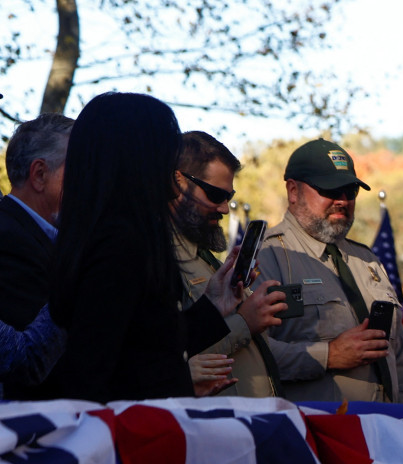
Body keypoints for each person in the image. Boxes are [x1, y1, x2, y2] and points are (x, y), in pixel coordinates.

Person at [45, 92, 242, 403]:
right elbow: (92, 372)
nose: (174, 168)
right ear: (139, 157)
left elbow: (147, 342)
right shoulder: (118, 244)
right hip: (128, 437)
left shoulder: (122, 236)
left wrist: (214, 307)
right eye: (166, 149)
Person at [254, 139, 403, 404]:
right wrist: (328, 355)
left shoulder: (367, 260)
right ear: (293, 191)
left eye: (350, 191)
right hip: (316, 435)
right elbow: (249, 358)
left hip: (385, 430)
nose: (342, 200)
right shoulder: (268, 257)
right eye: (330, 189)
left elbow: (401, 360)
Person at [172, 130, 286, 396]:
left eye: (229, 197)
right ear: (177, 180)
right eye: (214, 195)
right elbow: (162, 361)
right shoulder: (157, 258)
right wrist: (244, 323)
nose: (224, 208)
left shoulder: (204, 256)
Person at [0, 113, 73, 397]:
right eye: (79, 170)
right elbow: (30, 363)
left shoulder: (45, 238)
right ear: (40, 174)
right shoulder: (8, 240)